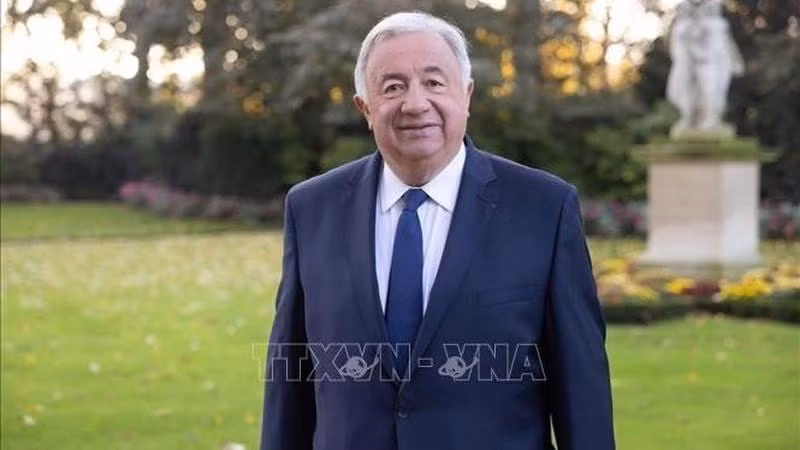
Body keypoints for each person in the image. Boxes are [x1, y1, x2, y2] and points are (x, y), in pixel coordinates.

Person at [260, 11, 615, 450]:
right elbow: (289, 384)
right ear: (365, 108)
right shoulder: (312, 208)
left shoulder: (544, 208)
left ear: (466, 95)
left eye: (434, 82)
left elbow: (583, 393)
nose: (415, 103)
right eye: (393, 87)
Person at [667, 0, 744, 136]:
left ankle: (711, 120)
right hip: (690, 66)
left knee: (712, 91)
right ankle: (690, 118)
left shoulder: (718, 26)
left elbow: (725, 46)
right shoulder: (684, 26)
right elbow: (677, 49)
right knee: (688, 91)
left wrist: (735, 60)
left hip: (711, 65)